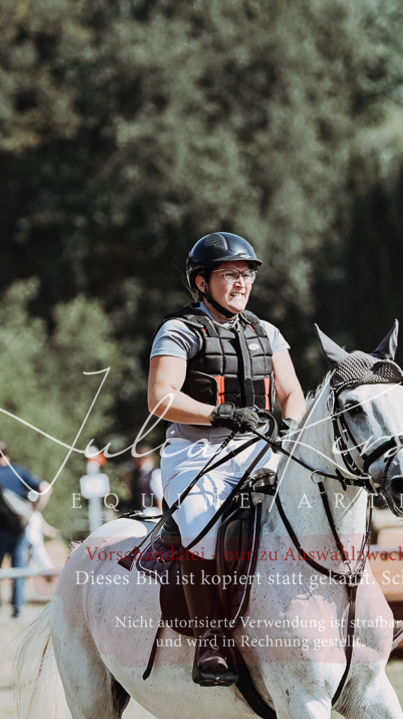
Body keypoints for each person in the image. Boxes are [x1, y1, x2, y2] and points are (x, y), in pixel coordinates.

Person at [147, 231, 305, 686]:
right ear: (201, 282)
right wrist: (218, 412)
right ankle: (210, 642)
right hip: (197, 452)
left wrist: (290, 430)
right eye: (229, 274)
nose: (241, 282)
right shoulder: (178, 330)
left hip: (259, 447)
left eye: (246, 274)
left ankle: (358, 612)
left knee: (321, 505)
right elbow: (160, 399)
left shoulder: (265, 331)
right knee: (200, 524)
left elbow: (292, 391)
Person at [0, 441, 52, 621]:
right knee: (18, 569)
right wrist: (35, 510)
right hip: (19, 529)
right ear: (7, 453)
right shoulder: (19, 471)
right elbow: (45, 487)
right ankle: (17, 611)